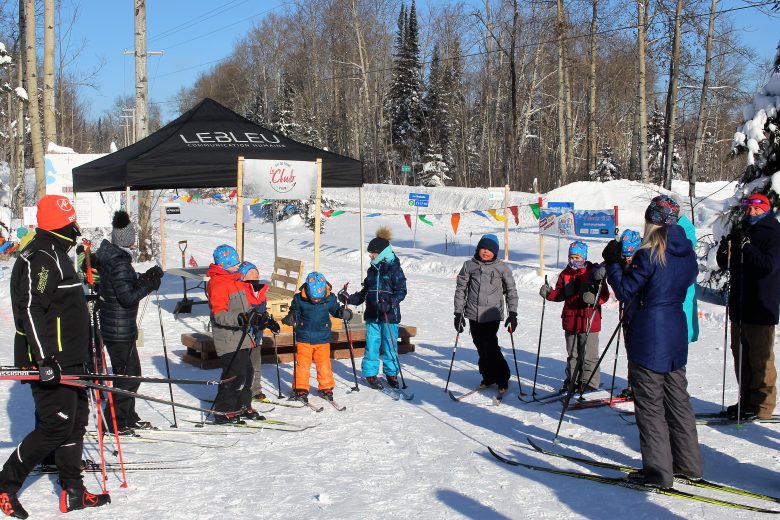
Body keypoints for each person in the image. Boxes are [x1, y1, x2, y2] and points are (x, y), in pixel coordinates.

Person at [0, 195, 110, 518]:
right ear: (61, 224)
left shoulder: (57, 253)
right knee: (55, 425)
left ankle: (73, 491)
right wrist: (45, 358)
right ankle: (5, 485)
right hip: (54, 360)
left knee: (75, 423)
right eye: (72, 223)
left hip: (73, 357)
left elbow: (60, 304)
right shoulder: (42, 256)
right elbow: (32, 309)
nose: (76, 228)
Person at [603, 194, 702, 489]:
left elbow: (625, 291)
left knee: (650, 405)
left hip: (650, 334)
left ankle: (658, 472)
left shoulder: (651, 253)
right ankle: (688, 464)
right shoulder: (685, 251)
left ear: (653, 220)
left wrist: (614, 264)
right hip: (674, 330)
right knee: (678, 400)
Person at [93, 211, 163, 435]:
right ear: (128, 240)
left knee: (129, 375)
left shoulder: (114, 258)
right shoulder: (119, 263)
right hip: (118, 329)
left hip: (118, 326)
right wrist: (149, 285)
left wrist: (145, 277)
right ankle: (116, 421)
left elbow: (124, 287)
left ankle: (126, 417)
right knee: (128, 377)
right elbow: (128, 297)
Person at [716, 193, 780, 421]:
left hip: (761, 305)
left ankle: (763, 405)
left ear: (765, 209)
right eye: (748, 209)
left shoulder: (772, 232)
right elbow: (725, 264)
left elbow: (769, 266)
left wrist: (748, 248)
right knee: (740, 356)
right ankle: (746, 401)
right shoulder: (744, 231)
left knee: (760, 358)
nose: (751, 213)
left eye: (756, 209)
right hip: (740, 305)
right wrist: (725, 250)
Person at [206, 245, 278, 424]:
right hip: (228, 339)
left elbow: (250, 303)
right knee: (234, 375)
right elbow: (219, 314)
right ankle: (224, 410)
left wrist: (259, 316)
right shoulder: (218, 284)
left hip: (242, 336)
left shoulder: (235, 280)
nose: (238, 266)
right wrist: (241, 318)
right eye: (234, 264)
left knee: (247, 372)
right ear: (224, 265)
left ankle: (242, 405)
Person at [340, 227, 407, 389]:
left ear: (383, 253)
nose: (370, 256)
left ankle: (391, 373)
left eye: (373, 253)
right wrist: (349, 298)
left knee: (389, 345)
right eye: (370, 253)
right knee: (372, 345)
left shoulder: (395, 269)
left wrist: (390, 303)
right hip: (372, 316)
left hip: (389, 316)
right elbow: (365, 293)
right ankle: (370, 374)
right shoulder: (372, 270)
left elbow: (401, 291)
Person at [540, 241, 609, 393]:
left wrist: (593, 297)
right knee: (573, 354)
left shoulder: (593, 272)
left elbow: (604, 295)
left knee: (589, 355)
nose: (573, 260)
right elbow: (560, 294)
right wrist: (549, 293)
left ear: (583, 257)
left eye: (577, 257)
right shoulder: (566, 274)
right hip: (570, 319)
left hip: (589, 321)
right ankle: (571, 381)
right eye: (571, 257)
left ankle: (589, 383)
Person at [453, 233, 518, 395]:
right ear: (478, 249)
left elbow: (511, 291)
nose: (486, 252)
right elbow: (460, 290)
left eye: (490, 249)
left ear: (495, 252)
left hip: (492, 314)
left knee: (490, 346)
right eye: (483, 248)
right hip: (473, 314)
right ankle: (488, 376)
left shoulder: (501, 268)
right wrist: (458, 313)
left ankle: (502, 377)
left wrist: (513, 313)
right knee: (480, 346)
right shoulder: (469, 266)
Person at [282, 272, 348, 402]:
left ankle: (326, 387)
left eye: (319, 298)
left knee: (324, 364)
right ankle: (300, 388)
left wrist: (342, 312)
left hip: (322, 337)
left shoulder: (329, 298)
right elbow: (294, 311)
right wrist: (291, 317)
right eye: (314, 298)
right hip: (304, 337)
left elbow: (335, 310)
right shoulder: (299, 298)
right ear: (307, 289)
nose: (316, 300)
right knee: (303, 365)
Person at [236, 261, 269, 401]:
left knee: (256, 365)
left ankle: (256, 390)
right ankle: (239, 389)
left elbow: (262, 310)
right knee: (241, 366)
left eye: (257, 273)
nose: (255, 275)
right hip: (242, 336)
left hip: (256, 335)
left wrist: (266, 319)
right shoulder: (239, 291)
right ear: (243, 276)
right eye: (251, 272)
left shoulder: (260, 291)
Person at [616, 229, 642, 399]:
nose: (627, 257)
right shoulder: (623, 263)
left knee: (641, 354)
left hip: (642, 316)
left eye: (630, 253)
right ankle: (632, 384)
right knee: (631, 352)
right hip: (628, 315)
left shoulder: (643, 263)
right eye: (625, 254)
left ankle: (641, 386)